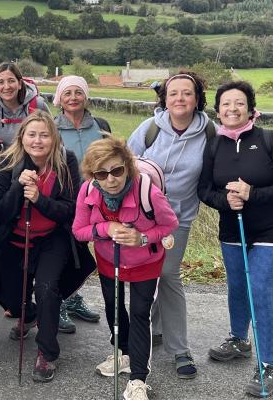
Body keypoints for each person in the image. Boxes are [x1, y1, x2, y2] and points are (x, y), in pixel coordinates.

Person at [198, 81, 273, 398]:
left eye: (239, 103)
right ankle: (239, 340)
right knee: (237, 286)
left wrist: (253, 194)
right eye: (226, 103)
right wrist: (224, 201)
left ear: (250, 108)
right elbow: (204, 190)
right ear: (218, 110)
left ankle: (268, 366)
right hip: (233, 229)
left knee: (259, 290)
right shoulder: (214, 146)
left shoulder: (271, 141)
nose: (233, 108)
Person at [0, 111, 91, 383]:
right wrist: (17, 191)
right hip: (14, 239)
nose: (38, 141)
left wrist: (40, 199)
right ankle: (28, 314)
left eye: (44, 135)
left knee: (46, 289)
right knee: (10, 299)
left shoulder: (66, 162)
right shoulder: (9, 164)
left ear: (54, 138)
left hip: (50, 239)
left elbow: (70, 211)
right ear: (22, 138)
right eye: (32, 134)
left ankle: (47, 352)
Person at [72, 137, 179, 400]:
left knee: (140, 313)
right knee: (114, 307)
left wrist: (141, 238)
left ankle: (138, 378)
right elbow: (79, 231)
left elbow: (169, 225)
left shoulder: (147, 191)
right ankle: (123, 353)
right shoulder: (87, 191)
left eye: (117, 170)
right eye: (102, 173)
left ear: (127, 167)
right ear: (92, 175)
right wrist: (105, 228)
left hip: (146, 262)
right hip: (110, 259)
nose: (111, 179)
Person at [126, 71, 214, 379]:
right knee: (151, 273)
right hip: (142, 215)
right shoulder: (149, 129)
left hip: (177, 218)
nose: (180, 98)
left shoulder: (209, 133)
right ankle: (156, 327)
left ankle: (180, 349)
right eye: (173, 93)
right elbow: (125, 163)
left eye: (186, 93)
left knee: (167, 273)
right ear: (165, 98)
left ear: (197, 98)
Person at [0, 62, 50, 322]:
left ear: (20, 83)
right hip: (1, 177)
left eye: (10, 81)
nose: (6, 86)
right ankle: (9, 292)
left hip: (33, 178)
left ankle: (38, 298)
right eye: (0, 82)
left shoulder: (37, 107)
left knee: (30, 234)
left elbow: (51, 136)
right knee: (0, 230)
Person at [52, 75, 107, 332]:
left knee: (81, 252)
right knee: (63, 251)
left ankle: (72, 297)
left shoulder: (101, 125)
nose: (73, 98)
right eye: (67, 93)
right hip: (63, 201)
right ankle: (59, 302)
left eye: (78, 92)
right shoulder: (52, 127)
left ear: (86, 96)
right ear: (59, 99)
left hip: (95, 201)